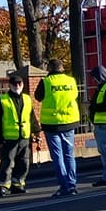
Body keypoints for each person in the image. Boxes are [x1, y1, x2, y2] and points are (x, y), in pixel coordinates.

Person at [35, 58, 81, 196]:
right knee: (69, 155)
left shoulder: (46, 82)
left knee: (57, 156)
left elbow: (38, 97)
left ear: (49, 68)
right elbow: (75, 95)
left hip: (52, 124)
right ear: (62, 68)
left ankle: (64, 186)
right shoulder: (71, 81)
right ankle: (72, 185)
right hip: (69, 121)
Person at [0, 70, 36, 196]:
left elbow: (31, 117)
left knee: (24, 162)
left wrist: (35, 132)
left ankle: (18, 183)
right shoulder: (3, 100)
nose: (17, 86)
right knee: (7, 162)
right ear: (10, 85)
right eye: (15, 84)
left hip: (24, 136)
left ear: (23, 85)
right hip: (9, 138)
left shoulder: (27, 99)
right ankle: (2, 186)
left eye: (19, 84)